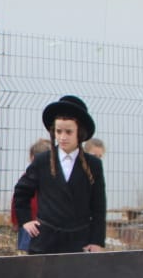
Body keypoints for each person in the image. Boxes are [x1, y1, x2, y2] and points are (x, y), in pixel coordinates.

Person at [14, 95, 106, 255]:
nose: (63, 137)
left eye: (69, 132)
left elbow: (99, 206)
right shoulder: (42, 161)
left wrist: (96, 241)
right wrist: (26, 220)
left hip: (79, 242)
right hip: (45, 242)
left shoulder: (93, 165)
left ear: (80, 133)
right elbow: (21, 192)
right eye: (59, 131)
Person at [13, 138, 51, 254]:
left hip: (43, 224)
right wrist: (19, 221)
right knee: (29, 252)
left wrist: (17, 221)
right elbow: (18, 199)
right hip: (30, 223)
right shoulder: (28, 177)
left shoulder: (53, 179)